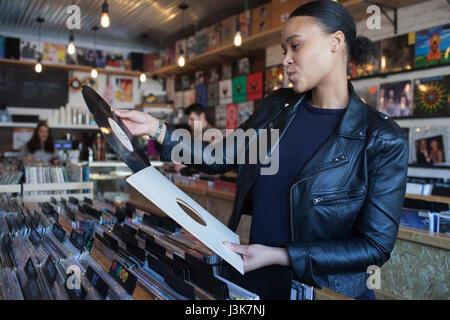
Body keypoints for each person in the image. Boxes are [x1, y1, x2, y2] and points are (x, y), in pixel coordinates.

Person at [114, 0, 408, 300]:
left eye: (296, 46)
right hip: (261, 284)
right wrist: (155, 128)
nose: (286, 60)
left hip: (327, 293)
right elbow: (219, 156)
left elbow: (374, 246)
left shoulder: (382, 138)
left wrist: (282, 255)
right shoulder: (277, 108)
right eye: (285, 50)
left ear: (336, 42)